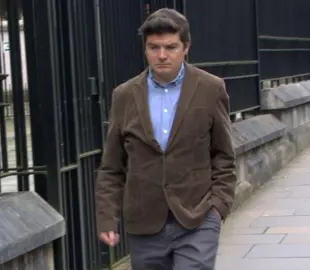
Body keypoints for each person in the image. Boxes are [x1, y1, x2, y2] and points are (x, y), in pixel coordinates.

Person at [95, 8, 237, 270]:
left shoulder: (210, 89)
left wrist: (218, 207)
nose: (161, 56)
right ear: (145, 49)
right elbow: (112, 166)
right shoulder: (124, 95)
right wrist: (107, 218)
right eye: (154, 47)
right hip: (145, 223)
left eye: (170, 47)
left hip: (197, 217)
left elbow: (224, 155)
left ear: (186, 47)